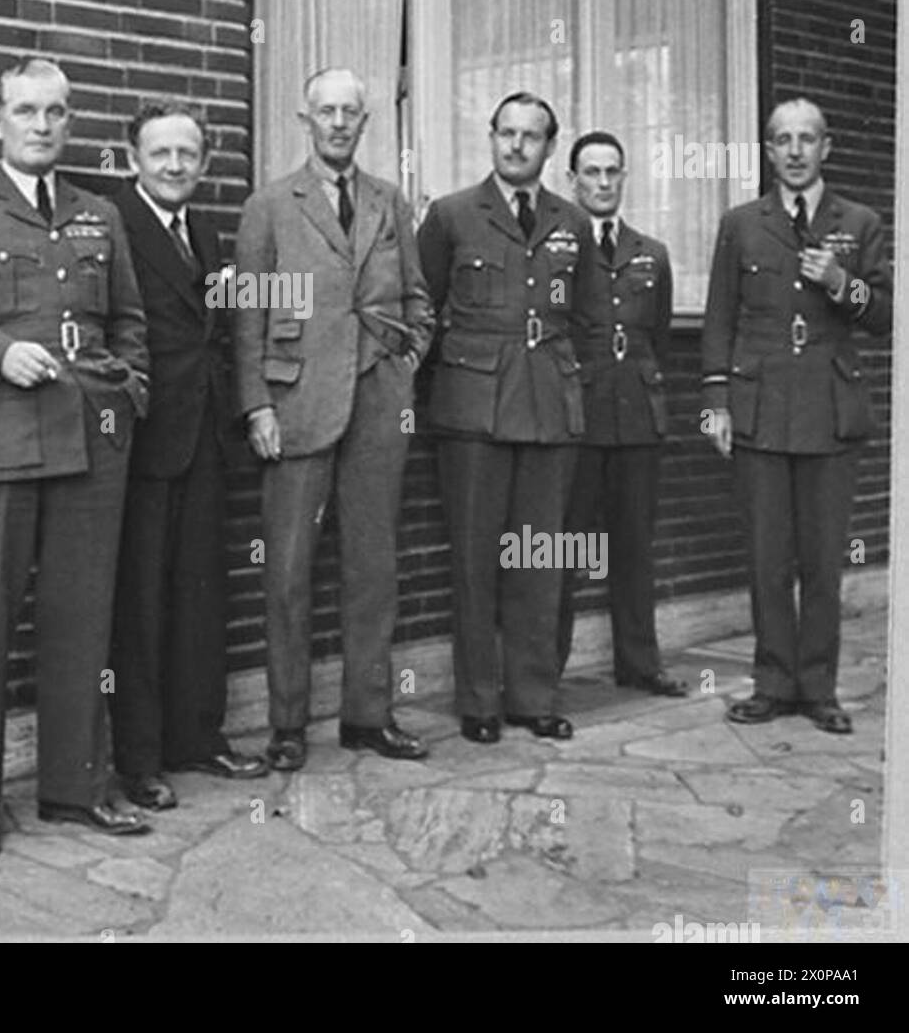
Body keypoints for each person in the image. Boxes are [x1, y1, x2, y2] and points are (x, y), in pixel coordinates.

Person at [0, 57, 151, 855]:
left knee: (85, 620)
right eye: (25, 111)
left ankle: (75, 785)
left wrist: (129, 391)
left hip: (87, 445)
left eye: (55, 112)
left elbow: (128, 321)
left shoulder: (99, 215)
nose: (42, 125)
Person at [234, 67, 434, 772]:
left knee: (374, 567)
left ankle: (368, 717)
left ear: (365, 120)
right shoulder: (270, 206)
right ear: (305, 118)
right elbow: (249, 315)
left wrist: (406, 360)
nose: (340, 123)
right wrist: (257, 402)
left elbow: (417, 299)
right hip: (297, 406)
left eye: (351, 111)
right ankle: (288, 725)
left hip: (379, 403)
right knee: (288, 573)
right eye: (327, 111)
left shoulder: (388, 202)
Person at [703, 98, 891, 734]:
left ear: (826, 148)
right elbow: (720, 319)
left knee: (821, 559)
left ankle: (819, 688)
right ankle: (772, 682)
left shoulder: (859, 222)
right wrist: (716, 406)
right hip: (759, 411)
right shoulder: (741, 224)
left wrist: (842, 281)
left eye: (806, 139)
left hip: (830, 413)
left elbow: (889, 316)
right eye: (781, 139)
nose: (794, 150)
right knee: (766, 557)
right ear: (768, 150)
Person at [109, 100, 267, 811]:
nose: (175, 166)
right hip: (143, 437)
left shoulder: (204, 228)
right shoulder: (115, 223)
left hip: (205, 436)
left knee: (202, 592)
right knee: (140, 601)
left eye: (188, 155)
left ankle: (198, 737)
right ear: (133, 158)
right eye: (160, 153)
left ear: (204, 162)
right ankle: (140, 759)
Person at [417, 90, 588, 744]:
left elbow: (590, 322)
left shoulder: (570, 221)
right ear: (490, 138)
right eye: (507, 133)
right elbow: (422, 312)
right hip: (474, 414)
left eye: (532, 136)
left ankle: (533, 698)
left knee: (538, 561)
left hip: (549, 411)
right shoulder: (452, 216)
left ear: (550, 146)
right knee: (474, 562)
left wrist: (576, 396)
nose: (517, 146)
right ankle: (479, 702)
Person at [558, 131, 685, 695]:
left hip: (636, 415)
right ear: (573, 180)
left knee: (633, 546)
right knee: (566, 548)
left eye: (613, 172)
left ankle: (639, 663)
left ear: (624, 178)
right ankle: (545, 669)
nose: (603, 183)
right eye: (592, 172)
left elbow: (655, 335)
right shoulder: (558, 248)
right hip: (577, 416)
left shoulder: (650, 253)